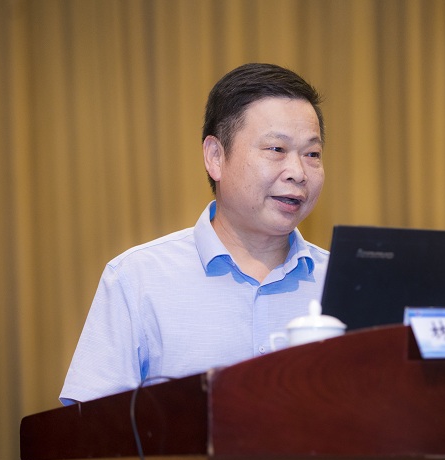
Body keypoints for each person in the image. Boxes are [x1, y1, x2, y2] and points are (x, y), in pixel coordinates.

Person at [59, 63, 328, 405]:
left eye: (312, 154)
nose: (298, 172)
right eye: (276, 149)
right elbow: (89, 429)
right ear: (215, 157)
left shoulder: (342, 281)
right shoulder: (137, 279)